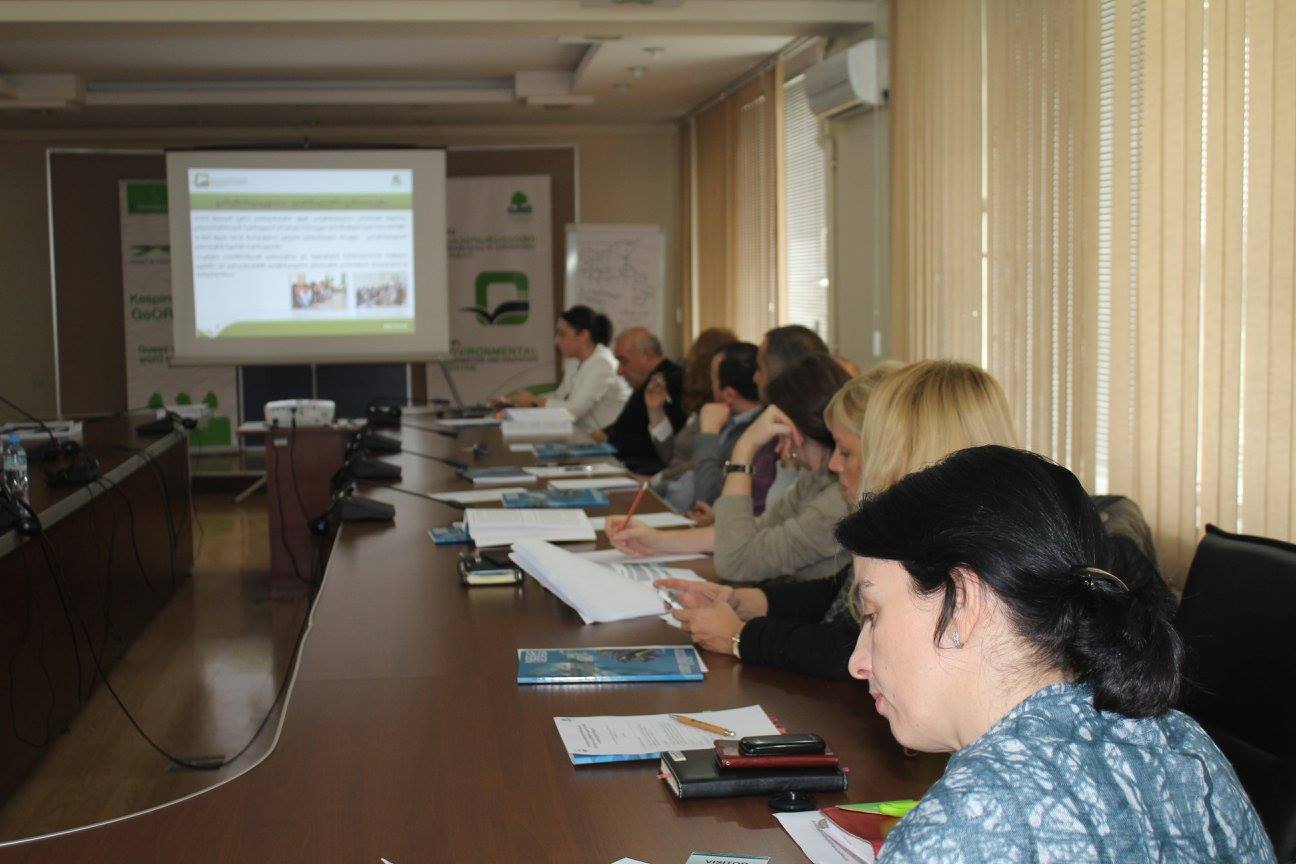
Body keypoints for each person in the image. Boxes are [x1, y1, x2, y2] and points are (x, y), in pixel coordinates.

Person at [838, 444, 1276, 863]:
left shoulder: (971, 822)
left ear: (961, 605)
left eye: (873, 614)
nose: (858, 663)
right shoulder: (1187, 745)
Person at [655, 359, 1019, 679]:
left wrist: (740, 637)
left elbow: (850, 645)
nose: (834, 464)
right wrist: (745, 600)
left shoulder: (953, 548)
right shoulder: (940, 524)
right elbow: (842, 597)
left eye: (848, 451)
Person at [609, 352, 851, 583]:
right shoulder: (816, 477)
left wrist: (744, 449)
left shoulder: (839, 500)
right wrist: (655, 539)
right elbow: (751, 532)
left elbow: (736, 560)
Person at [653, 340, 760, 513]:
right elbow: (679, 460)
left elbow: (707, 499)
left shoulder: (751, 434)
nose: (710, 386)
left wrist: (709, 433)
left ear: (729, 394)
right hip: (671, 496)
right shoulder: (724, 415)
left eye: (713, 379)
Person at [499, 305, 630, 433]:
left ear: (583, 335)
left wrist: (534, 400)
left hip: (609, 441)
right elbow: (559, 398)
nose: (556, 341)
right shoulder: (575, 361)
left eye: (562, 334)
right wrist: (514, 401)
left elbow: (573, 412)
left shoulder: (603, 363)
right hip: (584, 435)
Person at [649, 326, 737, 504]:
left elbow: (700, 465)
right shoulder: (701, 407)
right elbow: (672, 455)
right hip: (672, 489)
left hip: (681, 495)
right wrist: (655, 410)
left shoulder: (721, 414)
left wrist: (658, 479)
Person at [750, 324, 830, 513]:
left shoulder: (811, 435)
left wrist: (743, 449)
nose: (755, 378)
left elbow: (773, 516)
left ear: (782, 372)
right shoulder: (770, 422)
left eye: (760, 368)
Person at [601, 327, 686, 475]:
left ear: (646, 356)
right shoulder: (648, 382)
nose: (619, 371)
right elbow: (624, 428)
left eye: (623, 361)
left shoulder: (667, 383)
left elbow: (667, 452)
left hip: (642, 474)